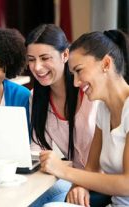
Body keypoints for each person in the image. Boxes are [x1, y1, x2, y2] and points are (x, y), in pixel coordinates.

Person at [40, 29, 129, 207]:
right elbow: (92, 168)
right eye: (73, 74)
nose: (75, 83)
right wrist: (81, 186)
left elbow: (127, 185)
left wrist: (63, 171)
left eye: (79, 71)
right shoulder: (104, 109)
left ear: (106, 64)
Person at [25, 24, 103, 206]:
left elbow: (106, 160)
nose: (37, 67)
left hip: (100, 186)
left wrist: (81, 183)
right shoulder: (35, 98)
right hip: (67, 182)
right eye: (31, 59)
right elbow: (37, 151)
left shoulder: (92, 94)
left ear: (65, 55)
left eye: (45, 58)